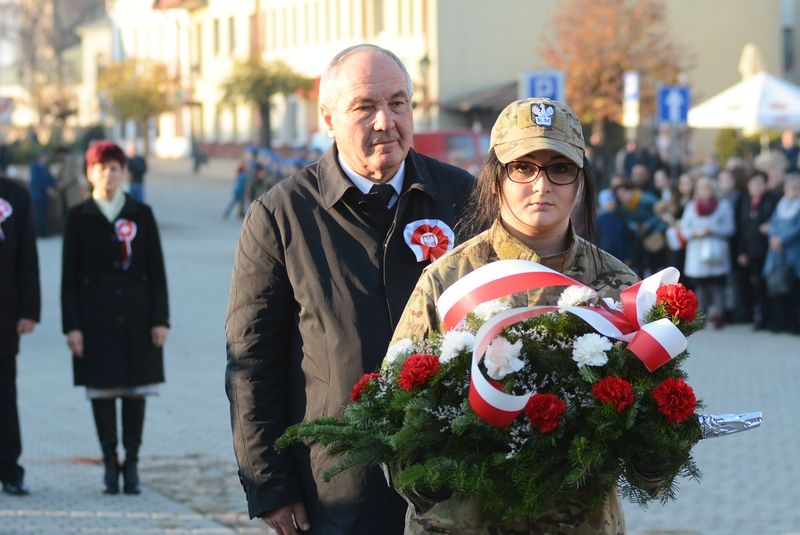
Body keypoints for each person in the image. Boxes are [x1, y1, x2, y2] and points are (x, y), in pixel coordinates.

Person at [224, 43, 474, 535]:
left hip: (453, 478)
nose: (386, 121)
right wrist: (271, 486)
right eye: (365, 106)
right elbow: (252, 361)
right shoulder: (280, 215)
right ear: (328, 116)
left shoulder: (461, 197)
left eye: (398, 103)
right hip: (337, 488)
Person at [388, 98, 664, 534]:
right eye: (524, 166)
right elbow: (393, 415)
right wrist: (439, 472)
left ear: (580, 181)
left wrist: (655, 450)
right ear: (497, 176)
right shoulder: (448, 280)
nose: (542, 184)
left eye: (560, 168)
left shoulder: (618, 285)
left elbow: (653, 435)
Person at [61, 140, 169, 495]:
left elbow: (157, 273)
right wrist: (72, 327)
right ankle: (110, 463)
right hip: (95, 321)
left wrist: (160, 320)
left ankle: (132, 464)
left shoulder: (141, 213)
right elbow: (69, 279)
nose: (108, 174)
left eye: (115, 168)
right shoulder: (79, 217)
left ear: (124, 173)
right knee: (103, 393)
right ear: (90, 173)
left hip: (138, 318)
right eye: (101, 168)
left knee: (135, 392)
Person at [0, 175, 40, 496]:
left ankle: (10, 470)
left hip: (5, 315)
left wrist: (29, 310)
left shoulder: (15, 194)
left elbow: (28, 257)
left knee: (4, 397)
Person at [679, 176, 735, 329]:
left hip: (716, 251)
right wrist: (694, 232)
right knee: (701, 286)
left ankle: (719, 315)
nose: (706, 191)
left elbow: (730, 228)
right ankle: (701, 316)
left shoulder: (723, 206)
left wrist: (713, 229)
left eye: (708, 188)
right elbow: (684, 230)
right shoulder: (691, 207)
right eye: (702, 188)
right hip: (697, 252)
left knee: (717, 284)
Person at [736, 172, 779, 329]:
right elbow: (741, 228)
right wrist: (742, 251)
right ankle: (758, 317)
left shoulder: (772, 200)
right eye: (753, 184)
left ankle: (772, 318)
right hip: (751, 251)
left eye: (759, 184)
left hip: (767, 250)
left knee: (769, 285)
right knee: (756, 287)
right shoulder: (745, 201)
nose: (756, 187)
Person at [762, 174, 800, 333]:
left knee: (794, 289)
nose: (794, 191)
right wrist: (773, 238)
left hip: (793, 253)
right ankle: (779, 321)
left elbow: (797, 229)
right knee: (778, 288)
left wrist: (782, 240)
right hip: (777, 254)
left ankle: (794, 324)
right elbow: (773, 223)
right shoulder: (782, 205)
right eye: (791, 188)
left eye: (797, 188)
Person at [29, 151, 56, 237]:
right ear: (40, 157)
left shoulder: (46, 167)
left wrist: (52, 186)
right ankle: (39, 232)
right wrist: (47, 188)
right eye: (45, 156)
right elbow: (36, 180)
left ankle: (44, 232)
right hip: (38, 196)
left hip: (45, 197)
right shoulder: (34, 167)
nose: (46, 158)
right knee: (38, 215)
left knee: (45, 214)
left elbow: (50, 179)